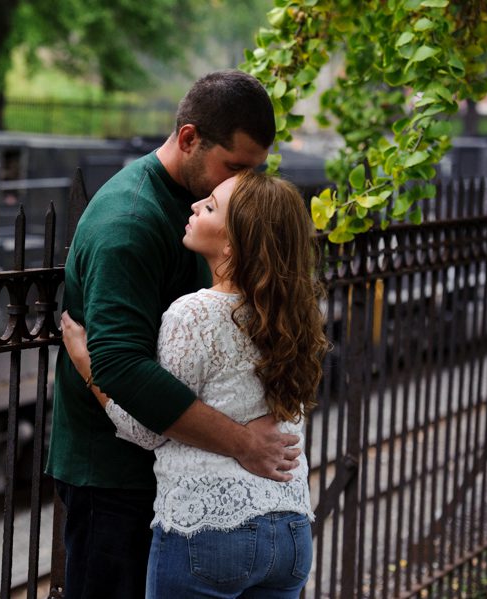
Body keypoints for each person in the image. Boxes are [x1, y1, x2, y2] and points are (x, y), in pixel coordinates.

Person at [45, 70, 301, 599]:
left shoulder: (211, 209)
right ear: (189, 139)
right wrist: (243, 442)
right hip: (116, 482)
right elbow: (119, 364)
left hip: (175, 482)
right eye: (233, 167)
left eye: (254, 171)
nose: (242, 186)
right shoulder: (130, 224)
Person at [62, 170, 328, 597]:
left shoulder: (194, 314)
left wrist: (86, 363)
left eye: (209, 206)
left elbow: (145, 429)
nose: (193, 207)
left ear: (231, 244)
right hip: (290, 529)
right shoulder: (298, 314)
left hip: (209, 531)